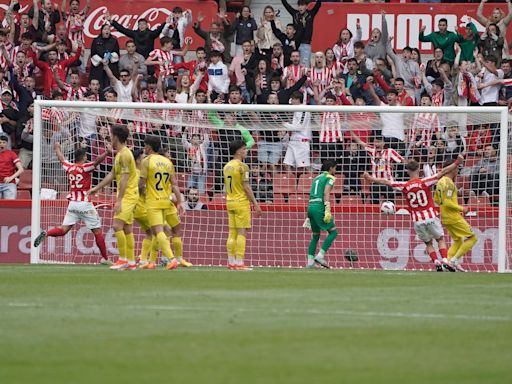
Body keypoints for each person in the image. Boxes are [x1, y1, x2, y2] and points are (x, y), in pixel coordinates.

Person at [364, 157, 464, 272]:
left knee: (428, 242)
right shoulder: (425, 182)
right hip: (430, 216)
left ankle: (436, 261)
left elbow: (386, 182)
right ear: (419, 169)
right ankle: (445, 260)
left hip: (417, 220)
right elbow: (443, 172)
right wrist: (457, 162)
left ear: (407, 171)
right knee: (440, 239)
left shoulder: (404, 186)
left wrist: (370, 178)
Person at [33, 142, 111, 264]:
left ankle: (47, 233)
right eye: (86, 156)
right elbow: (97, 162)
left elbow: (61, 158)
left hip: (73, 204)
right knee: (97, 231)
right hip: (85, 204)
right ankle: (106, 259)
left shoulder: (69, 167)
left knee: (63, 230)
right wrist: (107, 152)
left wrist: (57, 148)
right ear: (84, 157)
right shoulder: (85, 167)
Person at [88, 125, 139, 271]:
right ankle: (131, 262)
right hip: (127, 194)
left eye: (110, 135)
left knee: (117, 226)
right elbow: (112, 174)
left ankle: (122, 259)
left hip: (128, 195)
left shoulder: (124, 154)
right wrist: (96, 188)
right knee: (127, 228)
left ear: (115, 137)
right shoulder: (120, 154)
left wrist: (120, 200)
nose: (109, 137)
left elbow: (123, 178)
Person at [138, 135, 186, 271]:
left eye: (145, 145)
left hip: (153, 202)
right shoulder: (167, 162)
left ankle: (171, 259)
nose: (144, 148)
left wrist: (141, 193)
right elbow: (175, 184)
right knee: (155, 231)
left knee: (158, 231)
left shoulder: (146, 161)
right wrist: (180, 202)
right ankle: (152, 261)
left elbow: (141, 184)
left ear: (149, 146)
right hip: (166, 201)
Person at [223, 139, 262, 270]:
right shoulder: (242, 166)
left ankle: (231, 262)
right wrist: (256, 204)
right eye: (245, 149)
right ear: (239, 151)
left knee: (232, 233)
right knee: (242, 232)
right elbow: (246, 187)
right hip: (240, 202)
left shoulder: (227, 166)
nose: (246, 151)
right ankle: (239, 263)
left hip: (230, 201)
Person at [435, 158, 478, 272]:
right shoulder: (448, 183)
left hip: (445, 216)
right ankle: (454, 260)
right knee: (472, 238)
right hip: (453, 216)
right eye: (457, 168)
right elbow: (447, 202)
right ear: (452, 169)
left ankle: (448, 263)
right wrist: (462, 208)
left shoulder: (440, 181)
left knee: (458, 240)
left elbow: (437, 200)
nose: (457, 170)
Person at [305, 159, 338, 269]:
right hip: (319, 206)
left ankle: (310, 261)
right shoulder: (330, 178)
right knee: (333, 232)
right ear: (330, 168)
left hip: (310, 206)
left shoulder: (316, 178)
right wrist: (327, 208)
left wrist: (308, 215)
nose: (335, 170)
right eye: (335, 168)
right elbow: (326, 192)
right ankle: (320, 255)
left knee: (315, 235)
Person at [281, 0, 322, 67]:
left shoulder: (310, 14)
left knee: (304, 66)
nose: (300, 7)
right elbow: (286, 5)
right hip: (295, 44)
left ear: (306, 6)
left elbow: (318, 4)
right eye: (299, 5)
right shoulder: (295, 14)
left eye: (302, 5)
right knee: (294, 65)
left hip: (305, 44)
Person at [0, 132, 23, 199]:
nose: (2, 144)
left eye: (4, 142)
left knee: (10, 204)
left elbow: (21, 169)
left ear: (7, 144)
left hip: (9, 184)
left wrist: (11, 178)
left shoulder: (11, 154)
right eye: (0, 142)